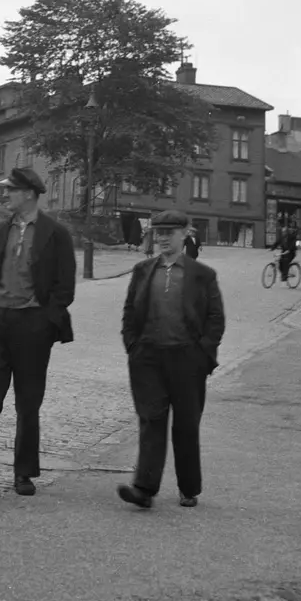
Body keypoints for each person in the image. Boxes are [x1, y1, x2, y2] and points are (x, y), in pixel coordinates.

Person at [0, 166, 76, 497]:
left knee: (28, 402)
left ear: (28, 194)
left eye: (11, 190)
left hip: (32, 326)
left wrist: (45, 321)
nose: (6, 194)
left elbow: (64, 287)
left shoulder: (56, 234)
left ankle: (24, 473)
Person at [117, 209, 225, 511]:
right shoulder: (142, 270)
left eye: (169, 232)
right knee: (151, 421)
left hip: (187, 359)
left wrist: (202, 355)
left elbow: (215, 319)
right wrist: (133, 346)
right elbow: (129, 312)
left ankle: (189, 487)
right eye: (158, 232)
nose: (162, 238)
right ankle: (144, 488)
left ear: (185, 234)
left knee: (186, 426)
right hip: (148, 358)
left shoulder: (202, 274)